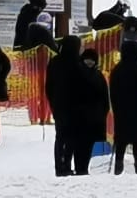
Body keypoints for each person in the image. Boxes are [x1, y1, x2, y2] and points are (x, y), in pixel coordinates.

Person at [109, 38, 137, 175]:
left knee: (121, 139)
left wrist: (116, 107)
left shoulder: (117, 69)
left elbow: (113, 91)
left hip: (121, 111)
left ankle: (119, 163)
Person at [46, 36, 84, 177]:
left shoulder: (55, 62)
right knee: (72, 137)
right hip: (75, 106)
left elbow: (48, 86)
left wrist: (53, 102)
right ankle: (67, 165)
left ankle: (59, 167)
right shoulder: (78, 63)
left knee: (60, 136)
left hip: (59, 105)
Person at [74, 49, 109, 177]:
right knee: (86, 145)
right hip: (90, 118)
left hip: (87, 118)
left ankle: (81, 168)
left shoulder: (80, 75)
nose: (90, 63)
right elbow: (105, 99)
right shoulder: (97, 76)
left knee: (84, 145)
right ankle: (85, 168)